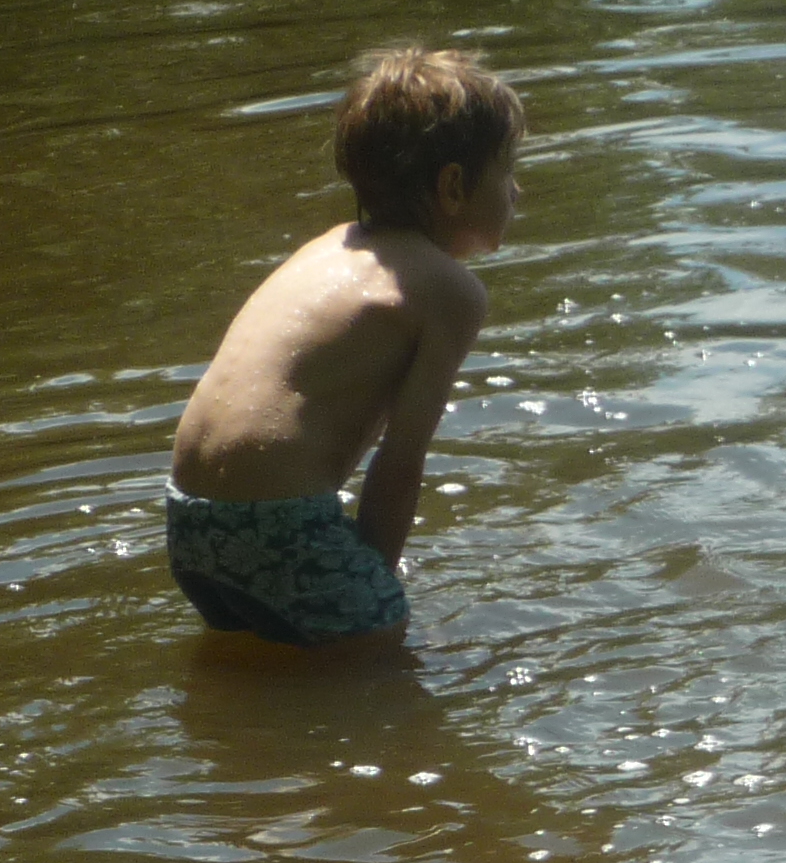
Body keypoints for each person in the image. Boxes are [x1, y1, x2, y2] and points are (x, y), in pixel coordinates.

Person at [164, 47, 523, 648]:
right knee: (377, 648)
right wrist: (376, 588)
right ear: (454, 186)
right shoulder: (448, 290)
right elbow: (400, 460)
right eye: (507, 171)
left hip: (189, 519)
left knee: (258, 658)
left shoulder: (328, 247)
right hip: (280, 521)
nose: (517, 191)